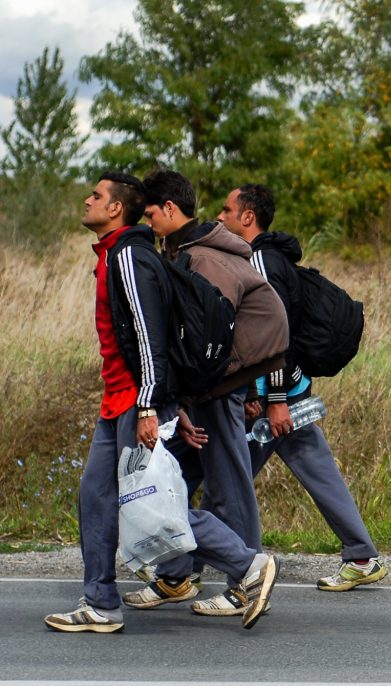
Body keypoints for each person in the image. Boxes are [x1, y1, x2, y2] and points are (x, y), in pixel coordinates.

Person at [44, 171, 278, 633]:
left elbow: (152, 340)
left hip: (134, 403)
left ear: (115, 208)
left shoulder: (128, 257)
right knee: (97, 498)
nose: (86, 201)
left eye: (95, 195)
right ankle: (101, 603)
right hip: (118, 403)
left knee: (157, 508)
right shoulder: (117, 254)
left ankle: (248, 566)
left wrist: (152, 408)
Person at [123, 170, 289, 617]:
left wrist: (208, 395)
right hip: (214, 382)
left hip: (223, 381)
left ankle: (248, 582)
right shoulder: (186, 249)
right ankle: (177, 575)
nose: (148, 220)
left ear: (171, 209)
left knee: (230, 478)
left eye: (152, 212)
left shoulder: (204, 258)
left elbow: (205, 337)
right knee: (177, 466)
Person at [217, 184, 388, 591]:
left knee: (227, 481)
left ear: (247, 217)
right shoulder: (267, 257)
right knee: (318, 472)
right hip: (289, 394)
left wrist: (269, 399)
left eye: (226, 210)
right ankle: (362, 557)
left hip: (276, 400)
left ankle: (184, 569)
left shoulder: (259, 259)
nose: (219, 218)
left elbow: (277, 336)